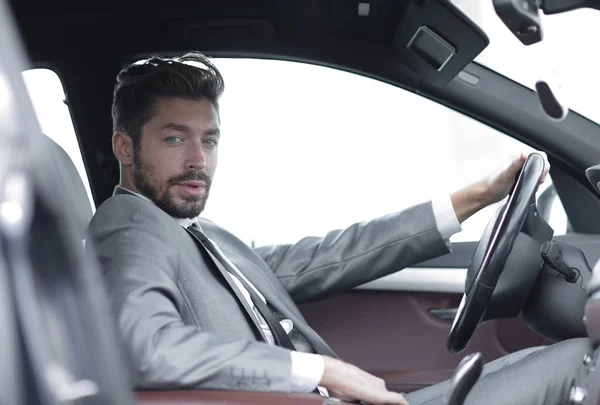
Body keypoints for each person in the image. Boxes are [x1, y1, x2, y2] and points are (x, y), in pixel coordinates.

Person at [88, 52, 588, 405]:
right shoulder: (130, 227)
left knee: (573, 356)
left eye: (210, 141)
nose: (199, 160)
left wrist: (479, 194)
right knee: (582, 369)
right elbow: (144, 347)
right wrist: (325, 370)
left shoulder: (199, 232)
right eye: (175, 139)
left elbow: (328, 256)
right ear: (126, 149)